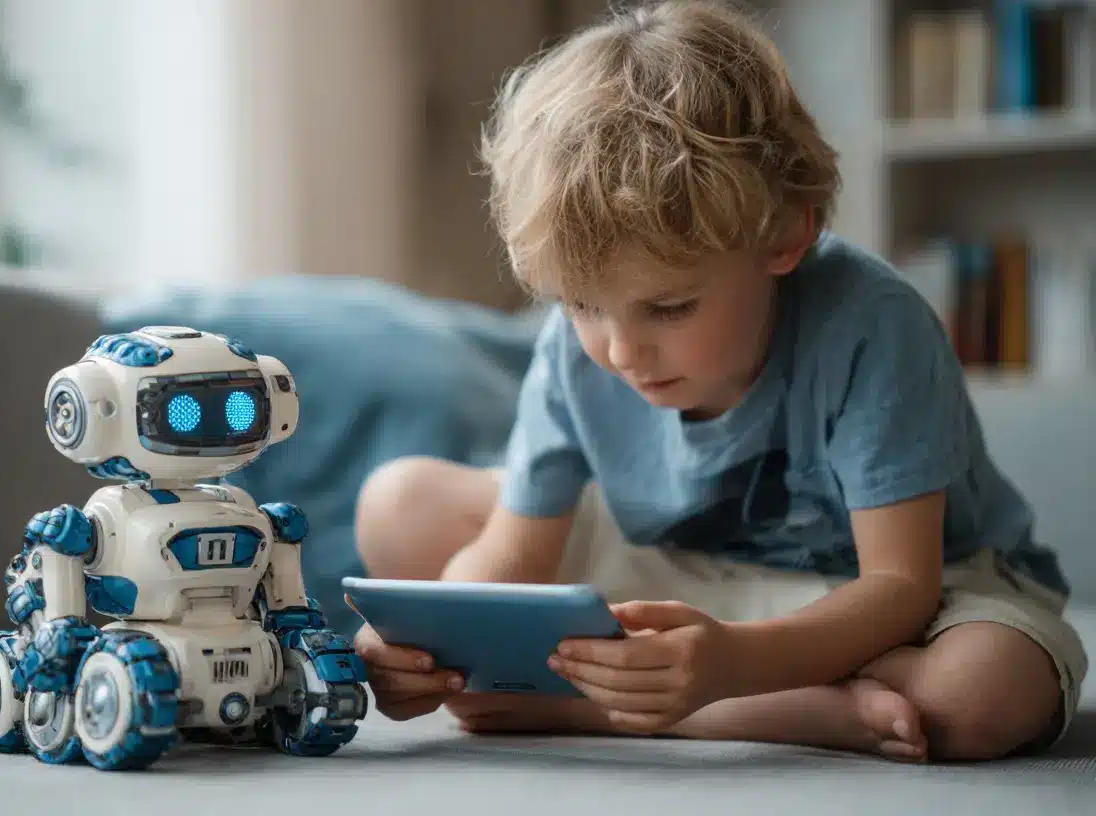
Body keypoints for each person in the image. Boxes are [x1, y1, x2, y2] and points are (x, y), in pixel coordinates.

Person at [349, 0, 1087, 763]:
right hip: (679, 577)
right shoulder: (580, 351)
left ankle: (592, 703)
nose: (622, 350)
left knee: (977, 697)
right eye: (580, 305)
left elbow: (901, 586)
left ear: (785, 233)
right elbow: (512, 557)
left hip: (891, 592)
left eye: (669, 306)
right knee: (399, 504)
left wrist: (732, 662)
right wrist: (429, 644)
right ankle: (796, 707)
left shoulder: (870, 323)